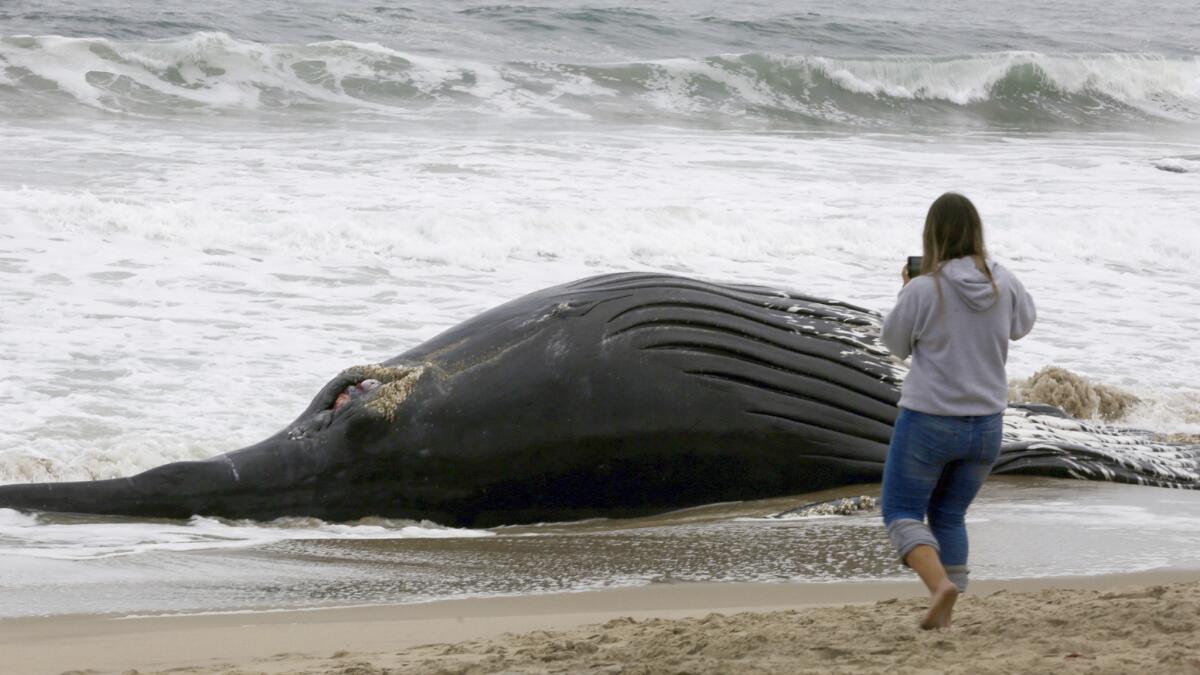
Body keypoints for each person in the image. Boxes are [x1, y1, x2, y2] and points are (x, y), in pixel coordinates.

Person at [879, 192, 1037, 630]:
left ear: (931, 236)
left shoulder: (925, 288)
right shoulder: (1002, 280)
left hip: (929, 422)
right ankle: (948, 611)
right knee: (950, 516)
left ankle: (939, 588)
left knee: (901, 512)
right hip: (986, 426)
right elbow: (1023, 325)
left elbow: (894, 345)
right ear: (975, 232)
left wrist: (907, 290)